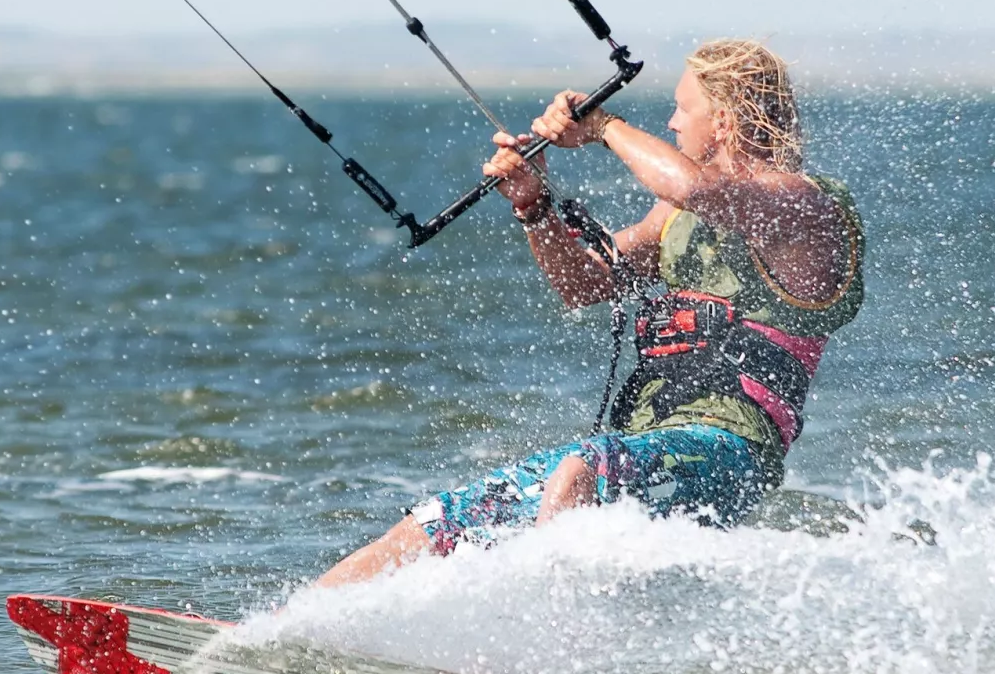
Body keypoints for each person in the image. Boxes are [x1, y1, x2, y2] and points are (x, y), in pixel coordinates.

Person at [315, 39, 863, 587]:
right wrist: (533, 204)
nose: (672, 122)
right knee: (438, 522)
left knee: (581, 471)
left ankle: (546, 644)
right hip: (642, 440)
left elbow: (692, 185)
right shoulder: (673, 218)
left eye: (682, 108)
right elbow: (582, 283)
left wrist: (603, 126)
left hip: (731, 453)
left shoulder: (805, 205)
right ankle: (278, 632)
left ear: (722, 120)